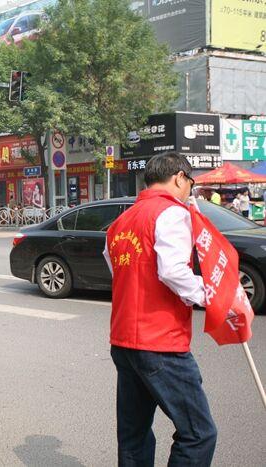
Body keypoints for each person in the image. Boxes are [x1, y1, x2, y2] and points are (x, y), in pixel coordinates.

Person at [103, 152, 216, 466]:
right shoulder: (171, 213)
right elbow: (172, 271)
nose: (189, 189)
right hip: (160, 341)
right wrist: (212, 296)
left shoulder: (120, 222)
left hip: (124, 340)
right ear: (180, 177)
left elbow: (116, 268)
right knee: (199, 433)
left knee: (134, 434)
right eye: (190, 182)